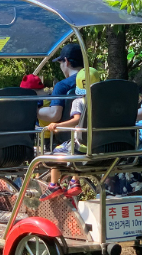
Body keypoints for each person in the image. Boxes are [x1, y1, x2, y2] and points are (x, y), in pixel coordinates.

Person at [41, 67, 103, 201]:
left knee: (56, 152)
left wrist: (57, 125)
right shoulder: (102, 103)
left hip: (81, 146)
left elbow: (75, 120)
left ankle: (53, 185)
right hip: (99, 144)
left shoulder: (79, 102)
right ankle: (74, 181)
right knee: (78, 150)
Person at [38, 44, 83, 124]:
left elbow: (54, 115)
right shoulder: (95, 81)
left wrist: (33, 110)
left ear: (66, 61)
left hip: (68, 133)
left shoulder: (62, 85)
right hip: (93, 131)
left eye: (60, 63)